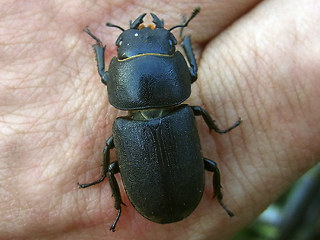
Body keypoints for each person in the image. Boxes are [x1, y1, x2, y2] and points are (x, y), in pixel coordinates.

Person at [0, 1, 319, 239]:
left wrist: (100, 47)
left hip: (157, 190)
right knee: (213, 165)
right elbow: (191, 73)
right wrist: (185, 42)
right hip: (167, 187)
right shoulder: (188, 110)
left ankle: (114, 202)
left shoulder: (127, 122)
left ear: (117, 76)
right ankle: (212, 198)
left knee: (112, 166)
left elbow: (103, 74)